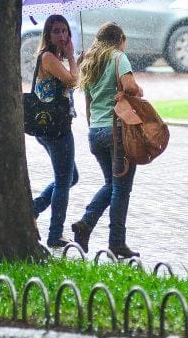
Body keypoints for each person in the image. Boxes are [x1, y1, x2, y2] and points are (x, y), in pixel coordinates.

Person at [71, 22, 142, 258]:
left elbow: (88, 104)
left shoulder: (90, 62)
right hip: (117, 132)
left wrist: (94, 128)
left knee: (112, 185)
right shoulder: (118, 57)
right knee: (121, 190)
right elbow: (131, 87)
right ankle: (115, 242)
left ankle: (86, 225)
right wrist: (136, 91)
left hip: (96, 133)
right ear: (120, 38)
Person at [31, 15, 79, 248]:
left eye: (65, 31)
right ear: (48, 36)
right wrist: (71, 57)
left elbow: (71, 77)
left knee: (71, 177)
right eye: (56, 31)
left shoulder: (54, 57)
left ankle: (34, 208)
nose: (62, 36)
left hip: (52, 125)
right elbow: (72, 81)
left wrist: (74, 58)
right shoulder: (49, 57)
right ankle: (55, 234)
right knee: (64, 180)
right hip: (55, 127)